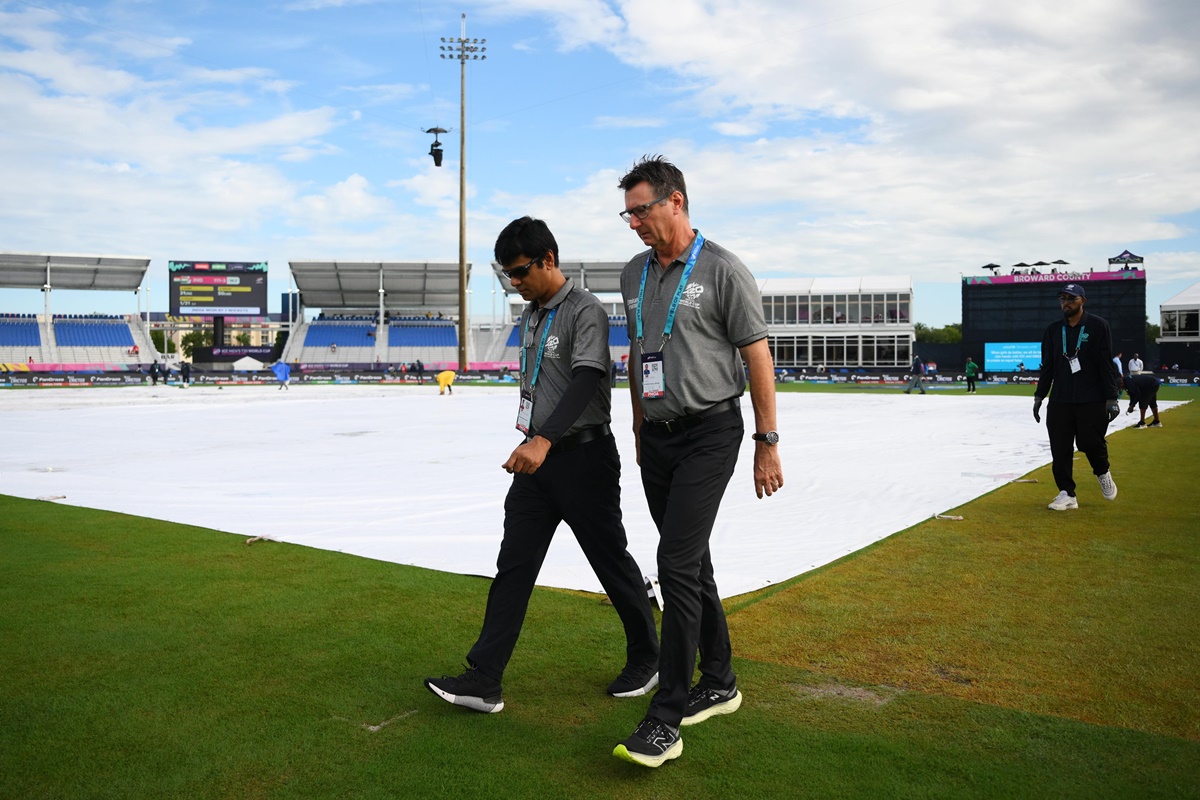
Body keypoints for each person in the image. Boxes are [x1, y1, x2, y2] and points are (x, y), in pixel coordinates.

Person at [424, 217, 659, 715]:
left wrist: (545, 438)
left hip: (584, 458)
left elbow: (586, 379)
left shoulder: (586, 310)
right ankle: (484, 678)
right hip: (538, 460)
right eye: (507, 274)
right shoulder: (530, 313)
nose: (515, 282)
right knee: (514, 565)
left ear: (548, 259)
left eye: (520, 272)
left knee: (610, 561)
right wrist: (536, 438)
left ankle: (648, 656)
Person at [611, 155, 783, 768]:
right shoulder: (633, 275)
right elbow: (636, 354)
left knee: (675, 562)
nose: (634, 223)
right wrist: (637, 426)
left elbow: (756, 355)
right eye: (627, 213)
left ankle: (666, 718)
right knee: (693, 562)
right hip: (657, 437)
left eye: (642, 210)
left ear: (676, 201)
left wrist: (768, 441)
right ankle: (722, 679)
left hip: (712, 432)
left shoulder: (723, 270)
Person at [1033, 283, 1120, 511]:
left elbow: (1105, 364)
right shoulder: (1053, 330)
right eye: (1062, 298)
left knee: (1089, 442)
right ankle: (1067, 493)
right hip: (1061, 399)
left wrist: (1112, 398)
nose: (1066, 303)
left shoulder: (1098, 326)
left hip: (1092, 397)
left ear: (1083, 301)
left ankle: (1102, 472)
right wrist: (1040, 395)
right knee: (1059, 447)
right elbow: (1048, 366)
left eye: (1071, 298)